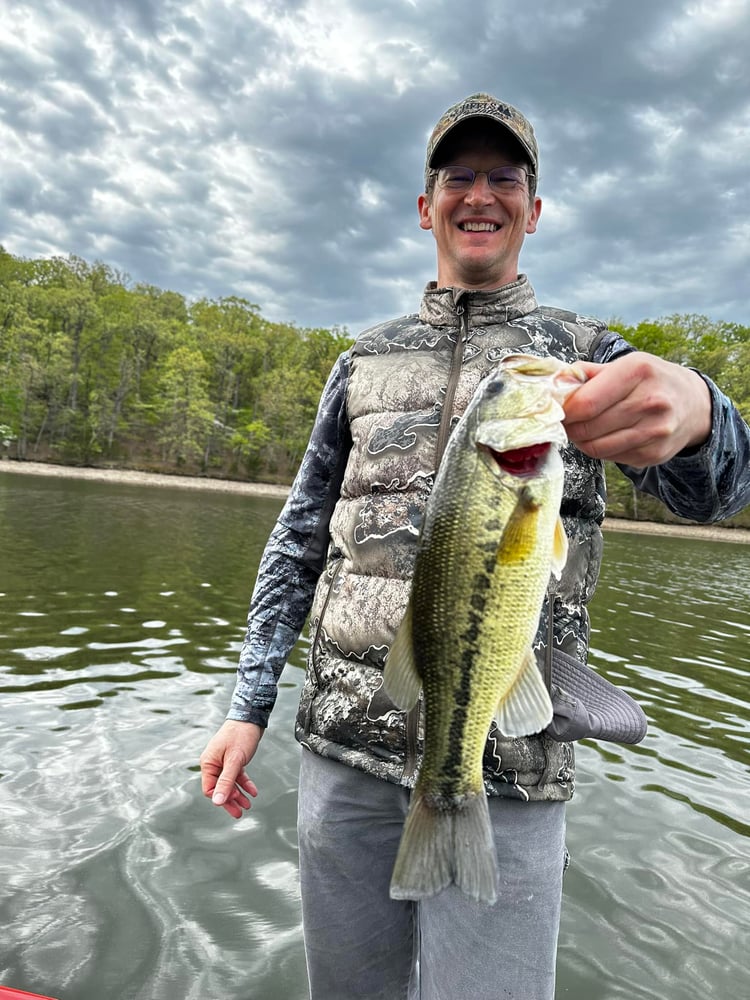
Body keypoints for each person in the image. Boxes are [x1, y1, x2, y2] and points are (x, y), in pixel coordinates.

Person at [199, 93, 750, 999]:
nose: (480, 194)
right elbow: (299, 541)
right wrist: (247, 702)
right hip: (344, 751)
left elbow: (721, 490)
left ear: (534, 211)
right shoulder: (362, 362)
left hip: (513, 770)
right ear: (427, 205)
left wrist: (697, 413)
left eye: (506, 178)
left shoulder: (585, 359)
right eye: (459, 176)